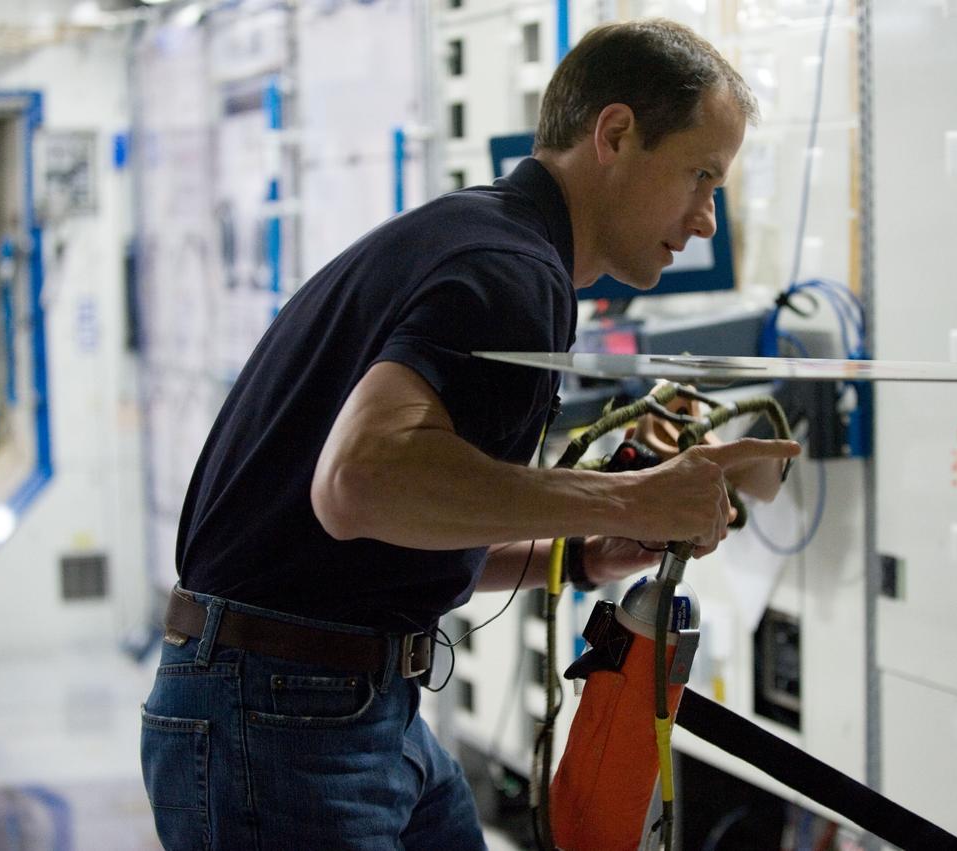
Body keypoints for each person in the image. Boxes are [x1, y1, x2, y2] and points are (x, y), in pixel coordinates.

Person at [140, 17, 800, 851]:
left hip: (337, 700)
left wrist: (586, 552)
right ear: (617, 134)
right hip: (281, 717)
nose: (707, 218)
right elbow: (361, 484)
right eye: (700, 176)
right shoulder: (510, 271)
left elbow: (397, 523)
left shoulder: (484, 239)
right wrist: (637, 492)